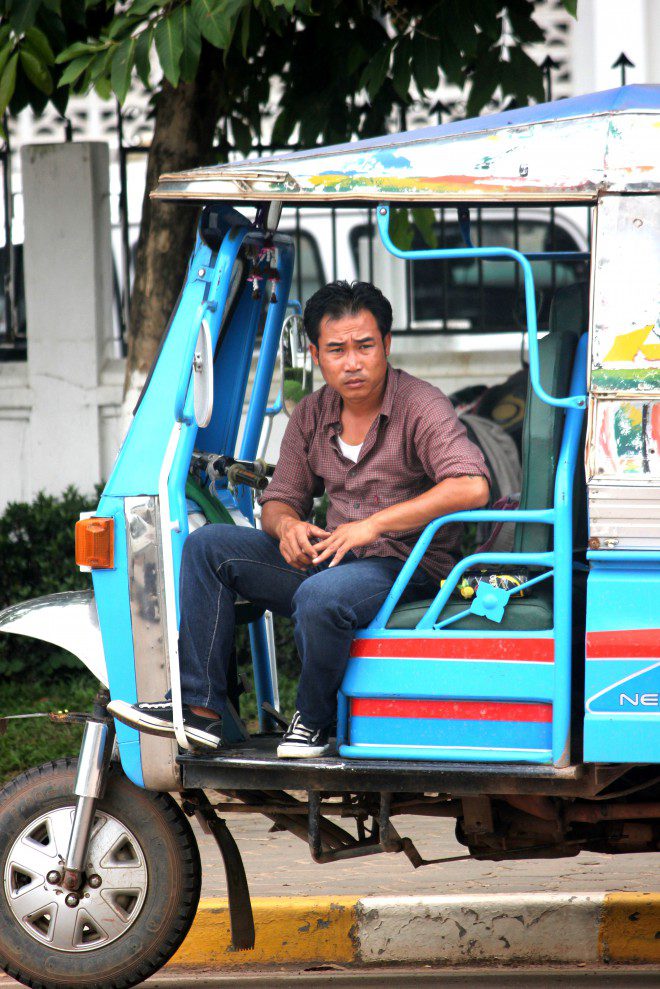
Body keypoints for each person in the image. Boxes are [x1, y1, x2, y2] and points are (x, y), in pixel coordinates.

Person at [108, 281, 490, 758]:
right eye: (337, 350)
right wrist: (286, 526)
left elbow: (472, 484)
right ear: (315, 353)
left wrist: (375, 524)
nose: (352, 362)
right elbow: (279, 499)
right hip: (334, 559)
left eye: (365, 346)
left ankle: (314, 722)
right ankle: (200, 708)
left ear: (387, 345)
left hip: (406, 567)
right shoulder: (311, 414)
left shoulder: (420, 404)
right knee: (209, 549)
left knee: (319, 595)